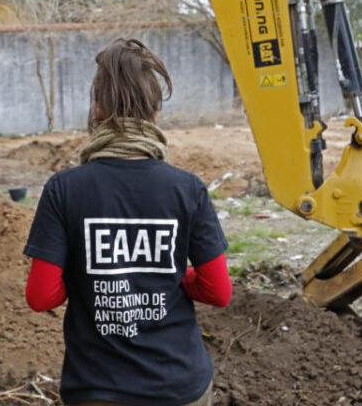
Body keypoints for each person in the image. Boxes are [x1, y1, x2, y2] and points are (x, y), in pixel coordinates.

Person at [23, 38, 231, 406]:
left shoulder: (63, 190)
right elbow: (219, 291)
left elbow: (41, 296)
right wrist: (179, 278)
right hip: (180, 388)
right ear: (154, 113)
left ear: (97, 108)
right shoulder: (188, 189)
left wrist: (82, 279)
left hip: (97, 390)